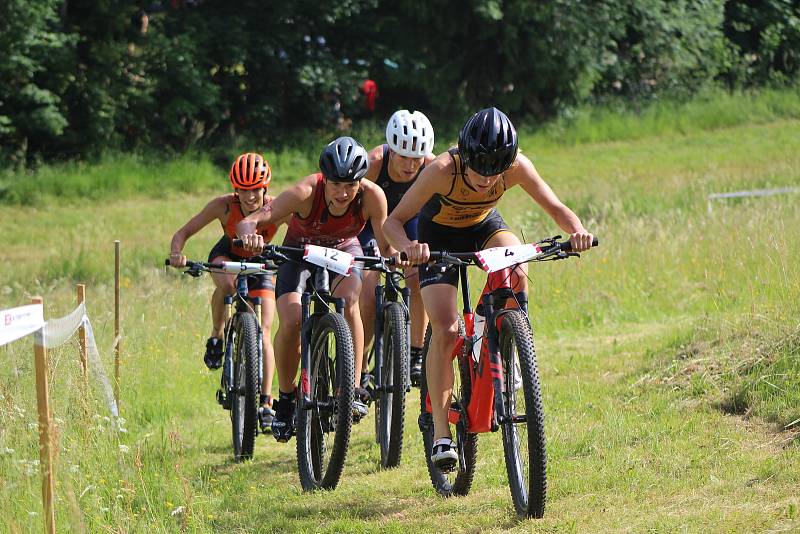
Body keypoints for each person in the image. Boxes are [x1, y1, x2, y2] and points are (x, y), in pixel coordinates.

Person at [383, 107, 594, 471]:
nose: (485, 178)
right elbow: (393, 222)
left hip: (483, 226)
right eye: (479, 167)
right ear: (465, 156)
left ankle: (511, 339)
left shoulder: (517, 166)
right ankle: (440, 435)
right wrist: (407, 248)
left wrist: (577, 230)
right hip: (437, 238)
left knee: (516, 260)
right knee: (447, 330)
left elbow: (556, 206)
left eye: (495, 168)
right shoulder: (441, 171)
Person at [237, 136, 396, 443]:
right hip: (299, 252)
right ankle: (284, 399)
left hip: (343, 251)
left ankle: (352, 385)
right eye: (336, 184)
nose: (343, 192)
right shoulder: (305, 191)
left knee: (350, 299)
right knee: (293, 320)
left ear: (362, 181)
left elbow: (385, 242)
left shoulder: (373, 197)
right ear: (325, 179)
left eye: (351, 185)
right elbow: (253, 220)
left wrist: (395, 256)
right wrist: (250, 236)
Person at [168, 153, 290, 432]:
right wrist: (177, 253)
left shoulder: (277, 209)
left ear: (265, 188)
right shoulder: (223, 207)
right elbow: (184, 231)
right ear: (236, 190)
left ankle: (266, 402)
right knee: (227, 284)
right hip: (227, 256)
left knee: (265, 331)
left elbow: (299, 231)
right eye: (243, 190)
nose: (250, 196)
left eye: (255, 189)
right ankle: (217, 335)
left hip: (260, 263)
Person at [358, 109, 436, 392]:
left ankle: (416, 352)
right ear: (391, 149)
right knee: (367, 294)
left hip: (406, 222)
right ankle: (360, 365)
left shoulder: (431, 166)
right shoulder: (374, 164)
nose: (410, 164)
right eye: (403, 156)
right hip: (368, 225)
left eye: (416, 158)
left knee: (418, 276)